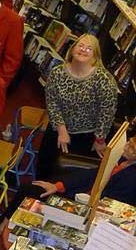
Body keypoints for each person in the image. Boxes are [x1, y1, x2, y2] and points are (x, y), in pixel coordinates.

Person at [37, 34, 118, 179]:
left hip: (88, 136)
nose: (83, 50)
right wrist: (62, 131)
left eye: (89, 48)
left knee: (74, 177)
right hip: (59, 128)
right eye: (80, 46)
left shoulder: (104, 79)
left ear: (95, 55)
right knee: (45, 169)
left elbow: (107, 112)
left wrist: (100, 139)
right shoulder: (57, 72)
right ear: (73, 48)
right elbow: (52, 102)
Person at [10, 136, 136, 212]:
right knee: (29, 188)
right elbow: (92, 174)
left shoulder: (131, 180)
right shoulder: (123, 159)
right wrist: (58, 186)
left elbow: (109, 203)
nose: (125, 148)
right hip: (79, 190)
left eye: (131, 149)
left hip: (86, 206)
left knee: (29, 190)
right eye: (128, 143)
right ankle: (2, 228)